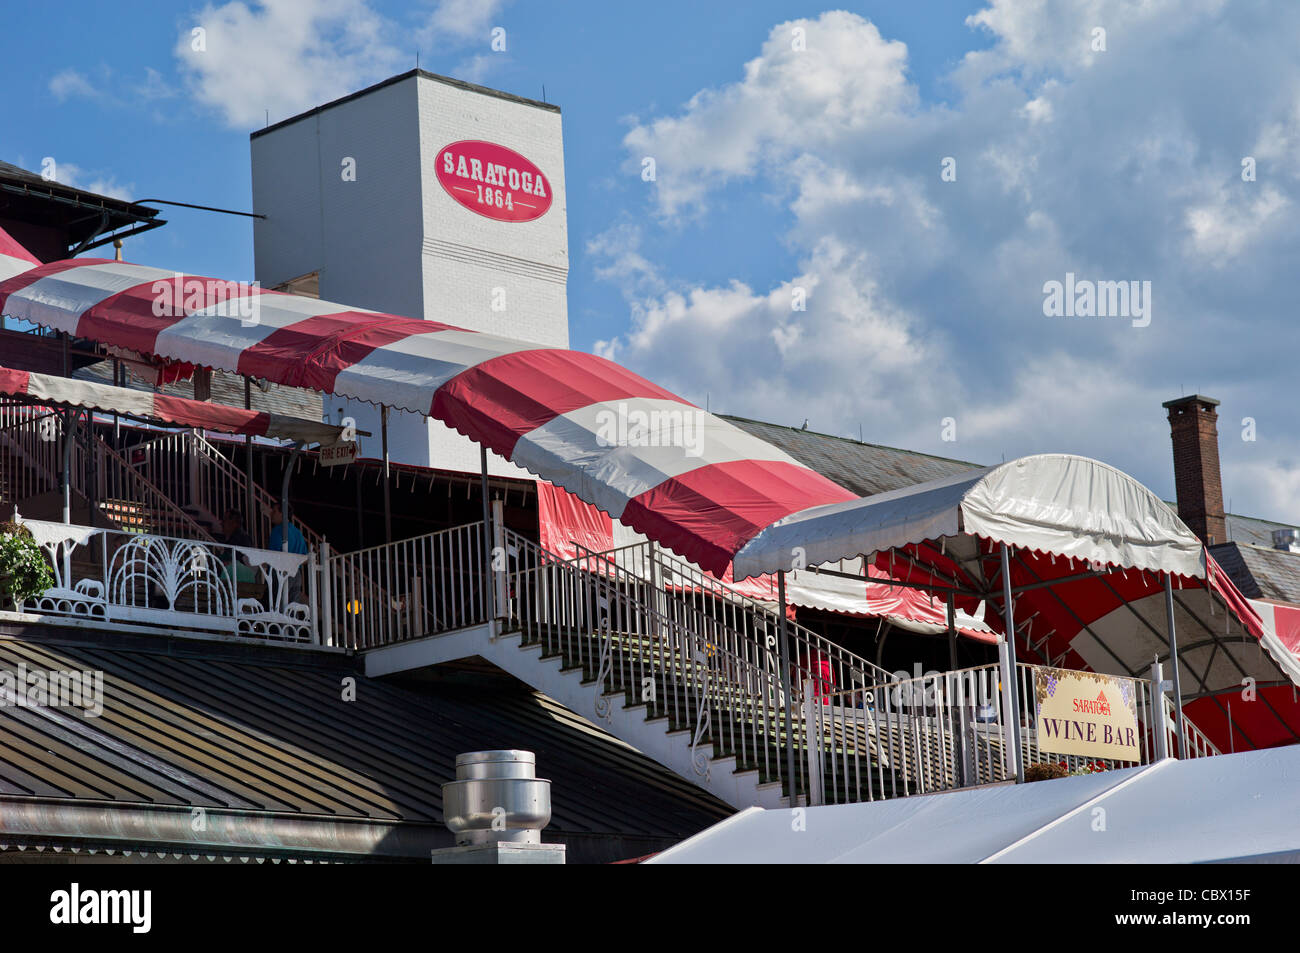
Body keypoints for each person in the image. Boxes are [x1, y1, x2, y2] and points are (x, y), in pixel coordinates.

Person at [268, 507, 309, 606]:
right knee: (292, 608)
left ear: (282, 514)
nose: (271, 514)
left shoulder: (278, 530)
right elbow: (305, 557)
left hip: (280, 572)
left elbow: (272, 555)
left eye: (274, 511)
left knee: (279, 606)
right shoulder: (297, 532)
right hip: (296, 573)